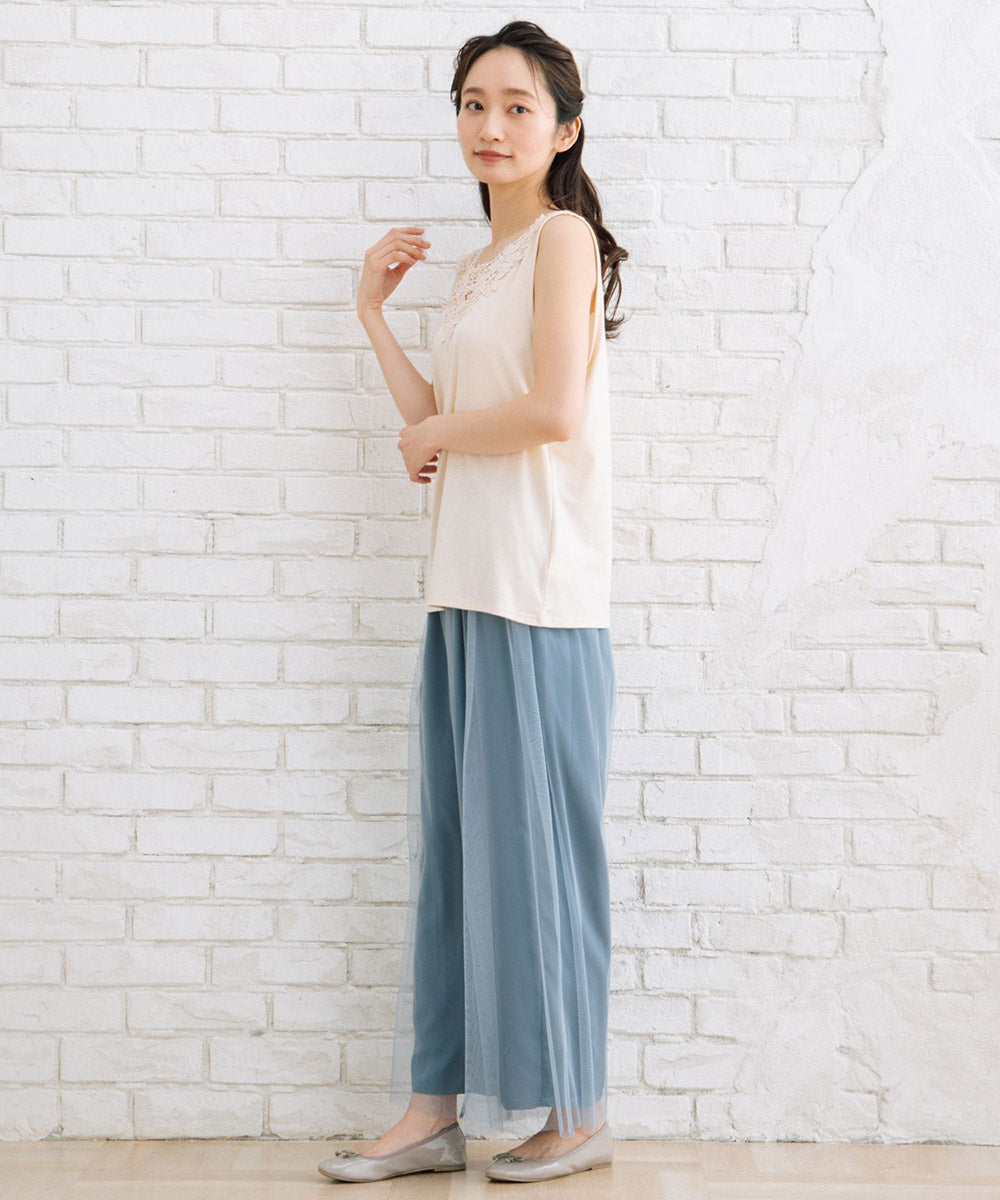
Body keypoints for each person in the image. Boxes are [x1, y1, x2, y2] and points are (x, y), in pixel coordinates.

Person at [318, 18, 627, 1185]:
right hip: (463, 589)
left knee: (542, 858)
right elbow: (432, 434)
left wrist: (438, 429)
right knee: (456, 858)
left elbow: (550, 412)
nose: (488, 126)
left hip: (539, 595)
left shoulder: (562, 240)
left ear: (564, 130)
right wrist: (372, 314)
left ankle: (578, 1112)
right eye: (471, 104)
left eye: (515, 106)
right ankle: (431, 1110)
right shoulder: (473, 269)